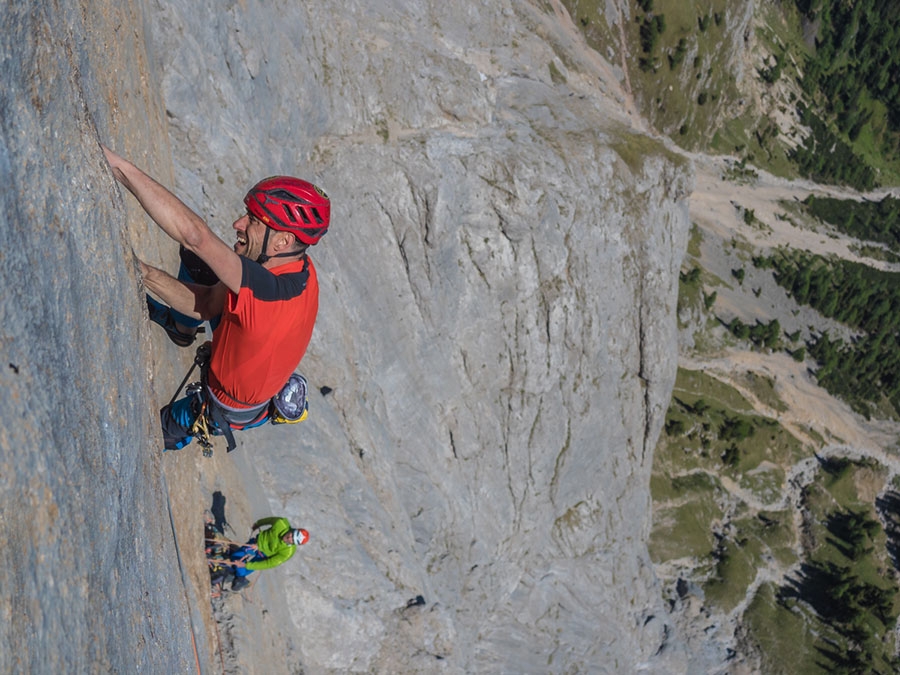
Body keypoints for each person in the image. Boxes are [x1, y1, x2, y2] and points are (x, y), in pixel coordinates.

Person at [103, 146, 329, 450]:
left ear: (282, 240)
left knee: (150, 436)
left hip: (226, 404)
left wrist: (118, 167)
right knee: (200, 265)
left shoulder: (265, 293)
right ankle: (180, 329)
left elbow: (195, 237)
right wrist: (142, 272)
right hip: (253, 346)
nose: (238, 224)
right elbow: (209, 302)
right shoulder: (300, 266)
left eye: (252, 220)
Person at [229, 516, 309, 591]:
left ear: (295, 543)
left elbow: (269, 563)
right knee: (235, 557)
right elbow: (268, 520)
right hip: (255, 543)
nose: (289, 538)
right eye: (292, 534)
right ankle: (238, 569)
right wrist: (258, 524)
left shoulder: (288, 552)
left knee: (241, 569)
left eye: (293, 540)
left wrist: (246, 565)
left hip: (263, 556)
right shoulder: (281, 523)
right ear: (293, 530)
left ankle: (241, 579)